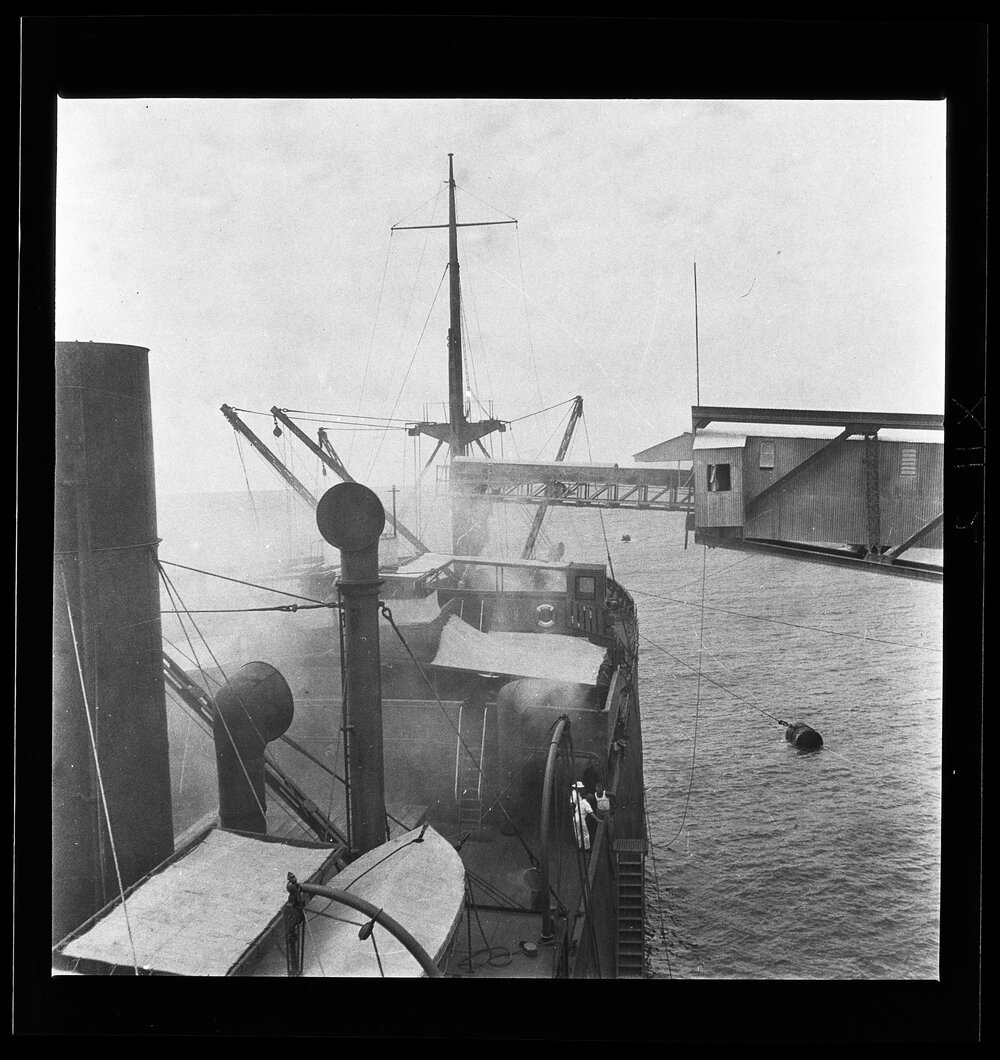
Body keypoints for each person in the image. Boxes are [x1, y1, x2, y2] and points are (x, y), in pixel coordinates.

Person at [570, 781, 596, 853]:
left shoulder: (579, 795)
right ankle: (587, 847)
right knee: (585, 833)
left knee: (578, 832)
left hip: (578, 814)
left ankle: (580, 846)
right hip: (579, 815)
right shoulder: (574, 793)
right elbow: (572, 804)